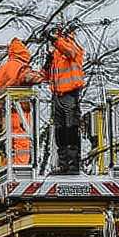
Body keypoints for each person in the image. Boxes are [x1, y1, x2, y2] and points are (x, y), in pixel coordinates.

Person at [0, 38, 43, 165]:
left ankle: (6, 165)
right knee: (22, 141)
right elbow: (27, 77)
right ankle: (20, 165)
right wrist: (40, 76)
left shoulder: (2, 68)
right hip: (18, 111)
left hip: (4, 112)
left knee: (8, 141)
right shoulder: (19, 66)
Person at [42, 23, 85, 175]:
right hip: (57, 96)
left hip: (69, 94)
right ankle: (63, 163)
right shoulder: (56, 54)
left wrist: (55, 41)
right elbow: (47, 77)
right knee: (60, 130)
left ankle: (73, 163)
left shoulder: (72, 46)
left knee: (71, 127)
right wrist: (47, 63)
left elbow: (70, 53)